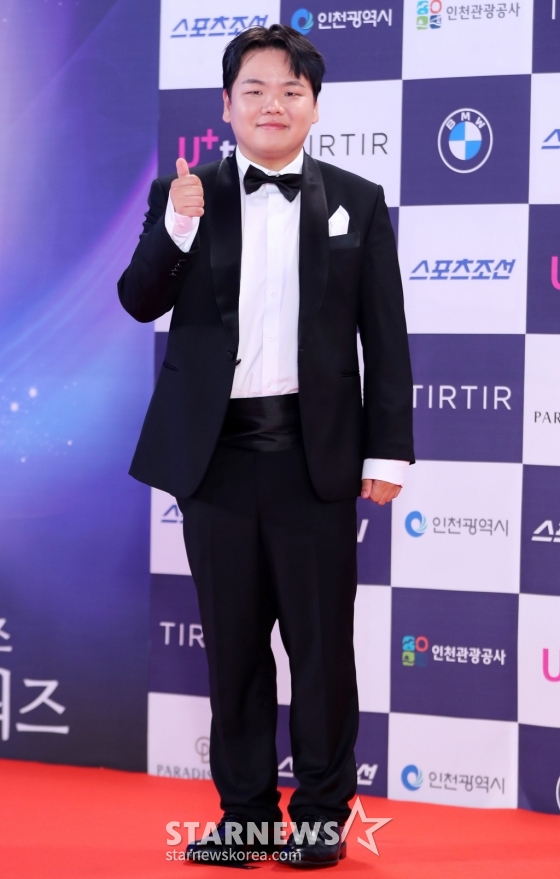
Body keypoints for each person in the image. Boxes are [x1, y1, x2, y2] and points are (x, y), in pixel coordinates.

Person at [118, 24, 414, 869]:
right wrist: (176, 229)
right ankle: (245, 817)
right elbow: (139, 300)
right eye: (254, 89)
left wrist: (388, 452)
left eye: (291, 90)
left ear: (314, 106)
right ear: (226, 104)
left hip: (314, 462)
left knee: (321, 652)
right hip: (213, 462)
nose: (272, 104)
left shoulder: (358, 199)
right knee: (235, 650)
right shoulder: (184, 194)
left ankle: (320, 814)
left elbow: (385, 337)